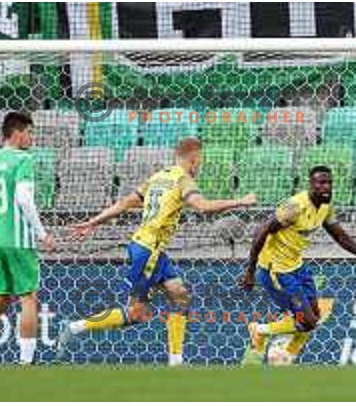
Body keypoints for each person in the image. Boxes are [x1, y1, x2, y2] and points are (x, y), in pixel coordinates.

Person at [57, 137, 256, 366]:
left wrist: (93, 222)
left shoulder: (158, 177)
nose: (200, 165)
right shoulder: (183, 180)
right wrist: (241, 201)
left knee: (180, 296)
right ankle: (73, 327)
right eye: (200, 159)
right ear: (194, 157)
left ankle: (176, 361)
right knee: (136, 314)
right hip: (148, 251)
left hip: (151, 249)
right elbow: (203, 207)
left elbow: (124, 203)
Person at [239, 165, 356, 364]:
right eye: (321, 183)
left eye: (329, 183)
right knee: (307, 321)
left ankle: (286, 353)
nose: (326, 187)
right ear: (311, 184)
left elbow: (338, 234)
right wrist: (250, 271)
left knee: (314, 317)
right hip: (276, 271)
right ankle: (260, 330)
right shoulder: (294, 207)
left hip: (297, 266)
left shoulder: (325, 206)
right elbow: (261, 232)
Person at [0, 111, 55, 364]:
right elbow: (24, 199)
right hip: (17, 239)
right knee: (28, 297)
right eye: (29, 132)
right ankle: (26, 363)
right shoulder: (22, 159)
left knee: (0, 298)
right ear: (16, 133)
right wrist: (42, 233)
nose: (32, 138)